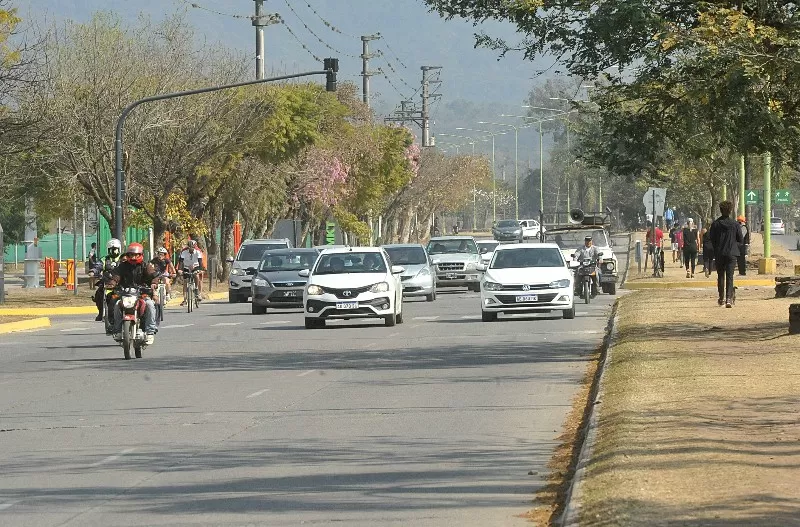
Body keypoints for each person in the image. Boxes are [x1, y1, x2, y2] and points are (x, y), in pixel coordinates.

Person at [105, 243, 159, 345]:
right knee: (116, 305)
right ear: (128, 255)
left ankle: (150, 332)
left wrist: (154, 282)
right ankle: (117, 330)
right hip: (125, 293)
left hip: (142, 293)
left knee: (150, 305)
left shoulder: (145, 266)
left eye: (136, 255)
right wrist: (112, 282)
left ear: (141, 255)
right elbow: (116, 275)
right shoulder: (123, 266)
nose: (133, 257)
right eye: (131, 255)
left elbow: (153, 275)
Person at [709, 201, 743, 308]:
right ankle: (729, 298)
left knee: (720, 276)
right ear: (730, 210)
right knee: (730, 276)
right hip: (732, 253)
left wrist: (717, 248)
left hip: (720, 253)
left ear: (720, 210)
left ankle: (721, 298)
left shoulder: (715, 224)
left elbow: (712, 239)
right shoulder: (735, 224)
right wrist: (733, 245)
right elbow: (740, 240)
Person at [92, 239, 122, 324]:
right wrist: (93, 271)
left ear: (119, 249)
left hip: (120, 283)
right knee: (99, 294)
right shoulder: (104, 259)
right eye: (111, 249)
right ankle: (101, 312)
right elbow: (98, 266)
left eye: (115, 249)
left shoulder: (124, 259)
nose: (114, 251)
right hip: (107, 282)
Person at [178, 240, 205, 305]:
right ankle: (185, 299)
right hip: (186, 267)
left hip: (195, 266)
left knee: (196, 275)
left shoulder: (198, 252)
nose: (191, 248)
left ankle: (196, 288)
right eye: (190, 247)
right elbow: (181, 262)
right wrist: (180, 270)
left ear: (195, 247)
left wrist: (200, 269)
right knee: (185, 281)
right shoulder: (184, 252)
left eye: (192, 247)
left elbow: (200, 262)